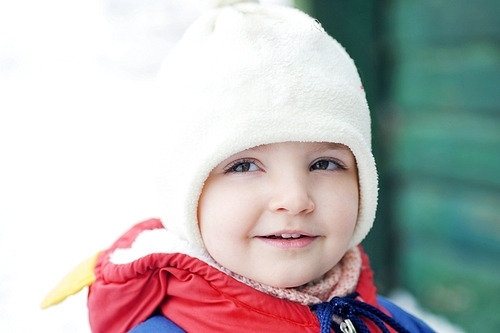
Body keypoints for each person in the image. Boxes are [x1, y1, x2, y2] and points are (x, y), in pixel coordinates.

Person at [41, 1, 434, 332]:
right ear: (186, 196)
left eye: (325, 163)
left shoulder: (387, 323)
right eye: (244, 166)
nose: (295, 199)